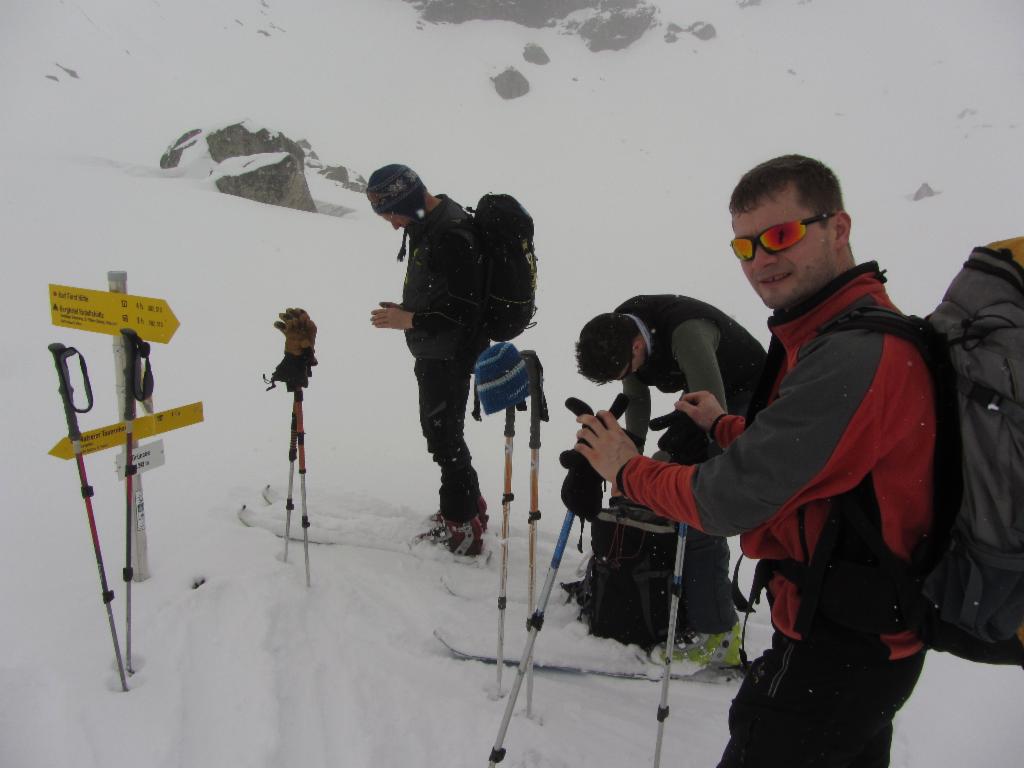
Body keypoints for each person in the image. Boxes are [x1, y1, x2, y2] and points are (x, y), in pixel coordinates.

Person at [573, 155, 936, 767]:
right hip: (852, 628)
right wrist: (718, 425)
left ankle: (714, 624)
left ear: (838, 229)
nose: (760, 259)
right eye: (745, 245)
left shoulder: (851, 352)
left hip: (844, 641)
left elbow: (726, 498)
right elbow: (794, 443)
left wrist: (630, 470)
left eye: (781, 235)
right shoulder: (821, 334)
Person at [574, 296, 766, 667]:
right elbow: (636, 396)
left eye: (624, 367)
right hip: (703, 393)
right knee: (657, 482)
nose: (626, 375)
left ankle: (719, 632)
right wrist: (630, 459)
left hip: (743, 398)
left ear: (636, 345)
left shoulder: (687, 334)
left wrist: (656, 467)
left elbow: (712, 408)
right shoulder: (624, 330)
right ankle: (679, 597)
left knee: (697, 500)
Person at [366, 164, 489, 556]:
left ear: (404, 199)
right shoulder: (430, 223)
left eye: (391, 214)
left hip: (450, 354)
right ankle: (470, 510)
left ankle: (462, 528)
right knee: (444, 435)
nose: (392, 225)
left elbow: (467, 308)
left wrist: (411, 318)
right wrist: (409, 309)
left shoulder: (451, 232)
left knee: (443, 438)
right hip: (437, 350)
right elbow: (445, 292)